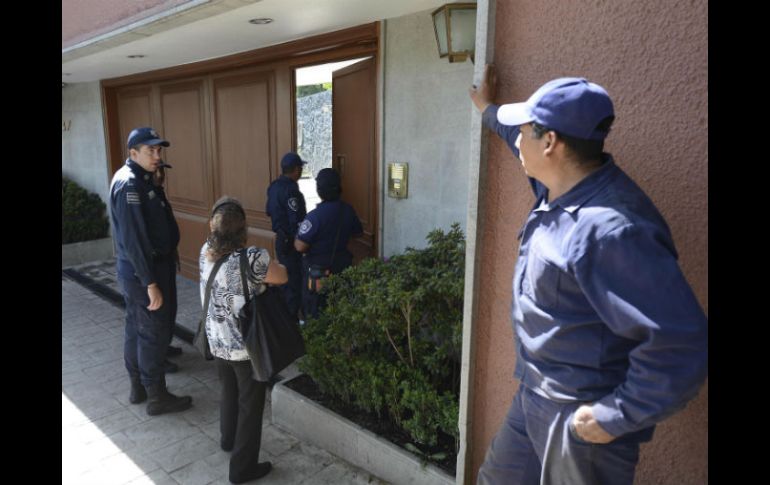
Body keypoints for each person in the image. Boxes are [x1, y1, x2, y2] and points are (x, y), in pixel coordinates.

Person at [468, 65, 708, 484]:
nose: (518, 140)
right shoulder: (558, 184)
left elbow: (682, 343)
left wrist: (614, 417)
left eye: (525, 131)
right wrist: (487, 107)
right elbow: (513, 138)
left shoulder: (612, 229)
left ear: (551, 143)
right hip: (533, 395)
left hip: (578, 420)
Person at [199, 196, 288, 484]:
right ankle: (242, 469)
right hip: (243, 346)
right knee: (251, 406)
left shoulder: (205, 251)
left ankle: (228, 440)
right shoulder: (252, 257)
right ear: (244, 229)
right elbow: (282, 276)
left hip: (216, 340)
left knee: (228, 392)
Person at [109, 126, 192, 416]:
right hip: (145, 270)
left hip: (150, 267)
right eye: (150, 151)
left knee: (137, 327)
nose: (157, 155)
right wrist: (150, 282)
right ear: (133, 153)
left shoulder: (141, 180)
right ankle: (157, 395)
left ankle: (139, 386)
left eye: (159, 150)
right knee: (152, 332)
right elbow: (134, 241)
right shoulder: (130, 184)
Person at [294, 168, 363, 319]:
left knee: (315, 311)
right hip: (342, 267)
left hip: (318, 272)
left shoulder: (315, 217)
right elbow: (358, 232)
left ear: (319, 190)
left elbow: (300, 246)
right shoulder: (348, 211)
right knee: (340, 309)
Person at [266, 152, 307, 320]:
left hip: (280, 240)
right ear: (296, 170)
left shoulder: (274, 186)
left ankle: (284, 317)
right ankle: (290, 323)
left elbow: (268, 210)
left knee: (284, 280)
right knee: (293, 283)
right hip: (290, 242)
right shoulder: (291, 190)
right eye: (301, 168)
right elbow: (296, 220)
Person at [152, 163, 184, 372]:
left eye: (163, 171)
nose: (161, 175)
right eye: (157, 171)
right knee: (160, 313)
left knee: (171, 307)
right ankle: (158, 356)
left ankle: (164, 345)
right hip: (157, 264)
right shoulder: (147, 197)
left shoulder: (159, 193)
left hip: (167, 258)